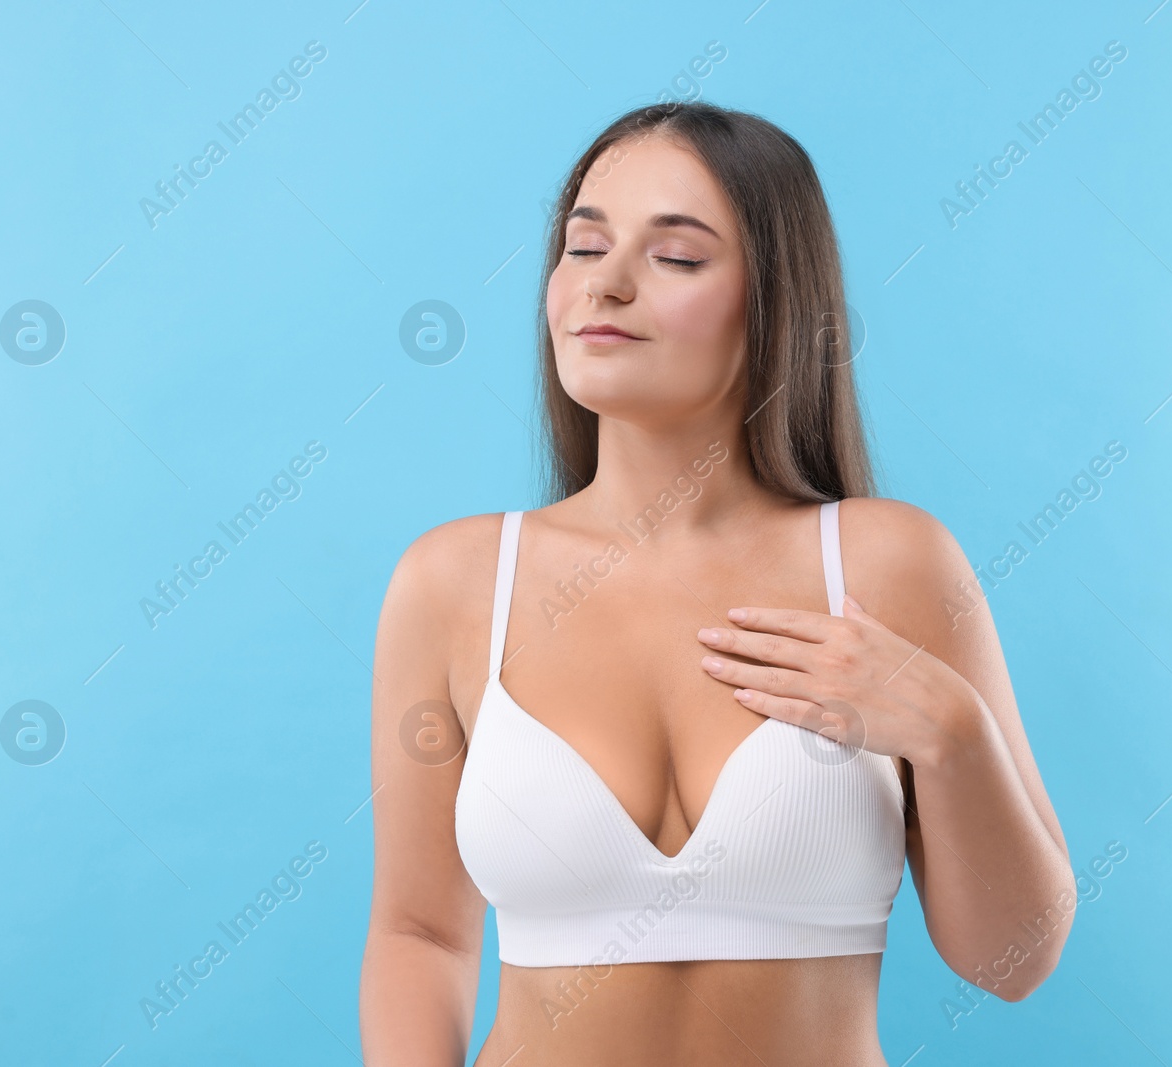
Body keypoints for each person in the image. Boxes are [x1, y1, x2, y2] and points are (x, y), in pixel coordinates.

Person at [360, 100, 1074, 1066]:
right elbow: (420, 932)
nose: (604, 286)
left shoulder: (886, 565)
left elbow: (1012, 961)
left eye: (677, 258)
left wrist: (950, 734)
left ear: (775, 300)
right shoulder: (452, 582)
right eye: (582, 248)